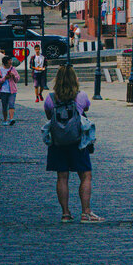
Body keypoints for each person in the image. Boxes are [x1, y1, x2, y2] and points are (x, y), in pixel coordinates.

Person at [44, 65, 101, 223]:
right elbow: (87, 107)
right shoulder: (80, 96)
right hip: (78, 142)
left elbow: (49, 115)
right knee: (85, 175)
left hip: (58, 142)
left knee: (62, 177)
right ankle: (86, 212)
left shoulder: (51, 98)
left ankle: (65, 213)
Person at [0, 54, 20, 125]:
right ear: (6, 62)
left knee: (11, 105)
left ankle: (11, 118)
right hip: (3, 90)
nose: (11, 62)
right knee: (4, 106)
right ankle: (5, 119)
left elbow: (17, 79)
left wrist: (13, 76)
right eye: (9, 61)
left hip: (12, 90)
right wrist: (4, 78)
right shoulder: (0, 70)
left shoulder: (13, 69)